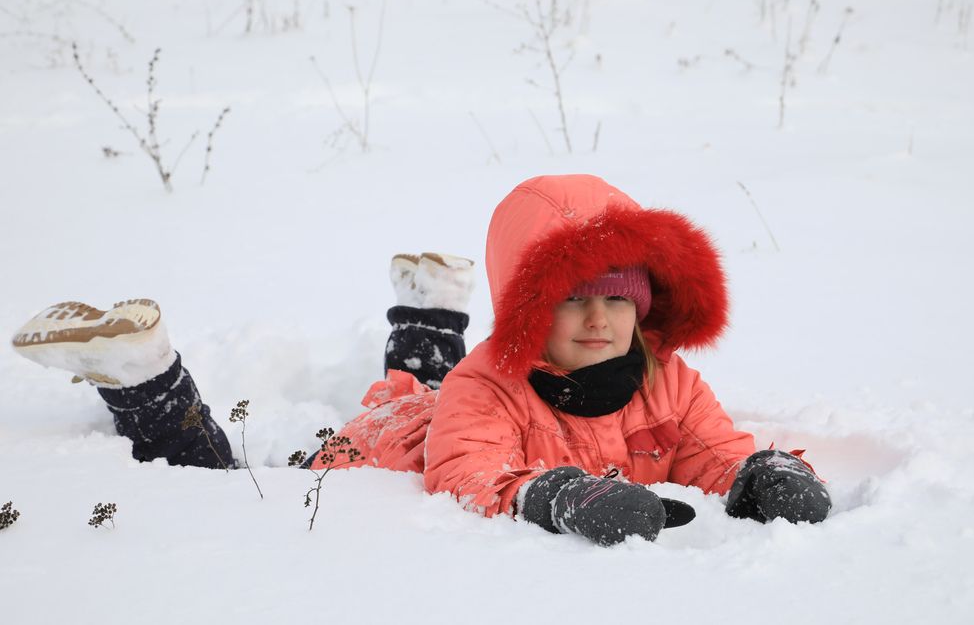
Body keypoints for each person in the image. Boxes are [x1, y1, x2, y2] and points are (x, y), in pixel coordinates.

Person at [11, 174, 831, 546]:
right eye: (570, 299)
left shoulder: (668, 380)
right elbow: (466, 473)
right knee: (231, 482)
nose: (598, 318)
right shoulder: (489, 385)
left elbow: (709, 451)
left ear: (643, 307)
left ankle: (429, 306)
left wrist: (759, 474)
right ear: (526, 309)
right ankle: (142, 372)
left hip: (453, 405)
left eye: (617, 300)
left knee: (433, 382)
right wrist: (553, 496)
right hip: (394, 448)